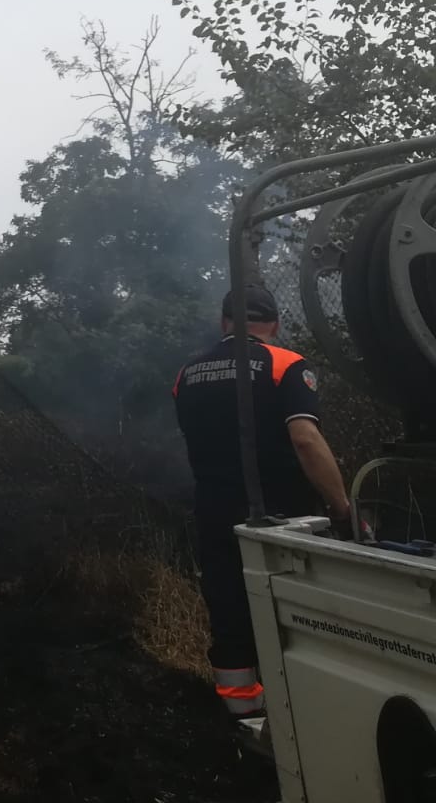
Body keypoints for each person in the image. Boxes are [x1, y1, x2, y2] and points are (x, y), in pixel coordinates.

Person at [172, 283, 351, 730]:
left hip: (214, 513)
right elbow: (305, 439)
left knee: (230, 609)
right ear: (272, 324)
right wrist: (341, 505)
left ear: (224, 323)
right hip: (280, 517)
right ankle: (301, 712)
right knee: (294, 611)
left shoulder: (187, 373)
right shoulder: (286, 364)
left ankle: (241, 716)